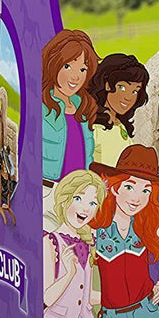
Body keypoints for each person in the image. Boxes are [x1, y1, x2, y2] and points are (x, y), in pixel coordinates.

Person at [88, 145, 159, 318]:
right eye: (130, 187)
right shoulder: (95, 229)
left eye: (145, 190)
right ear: (115, 187)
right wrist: (96, 298)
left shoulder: (144, 226)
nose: (137, 198)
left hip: (148, 315)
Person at [42, 170, 105, 318]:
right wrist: (69, 273)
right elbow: (47, 298)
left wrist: (120, 298)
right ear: (64, 200)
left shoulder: (88, 243)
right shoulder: (50, 242)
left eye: (92, 203)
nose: (86, 209)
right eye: (78, 198)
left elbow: (86, 295)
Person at [42, 30, 98, 216]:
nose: (76, 77)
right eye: (68, 66)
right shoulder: (40, 106)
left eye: (82, 69)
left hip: (80, 196)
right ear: (53, 63)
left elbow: (87, 153)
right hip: (49, 192)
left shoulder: (83, 106)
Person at [88, 53, 150, 167]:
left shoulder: (120, 124)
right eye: (122, 87)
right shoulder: (95, 129)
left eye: (135, 91)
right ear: (107, 85)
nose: (128, 97)